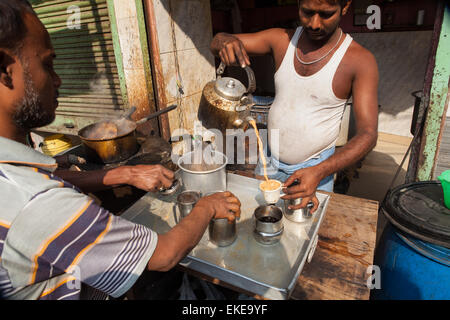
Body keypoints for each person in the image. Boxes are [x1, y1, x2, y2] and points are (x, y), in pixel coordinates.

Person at [0, 0, 241, 300]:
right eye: (47, 64)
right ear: (4, 69)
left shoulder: (13, 173)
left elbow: (51, 178)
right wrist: (207, 207)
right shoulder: (38, 204)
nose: (59, 79)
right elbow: (164, 255)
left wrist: (123, 173)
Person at [210, 0, 378, 212]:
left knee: (305, 229)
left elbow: (368, 133)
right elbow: (216, 42)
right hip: (269, 158)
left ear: (345, 8)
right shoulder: (281, 40)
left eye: (326, 14)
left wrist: (320, 171)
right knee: (262, 219)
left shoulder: (359, 60)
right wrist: (224, 40)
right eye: (307, 12)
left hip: (315, 168)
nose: (315, 24)